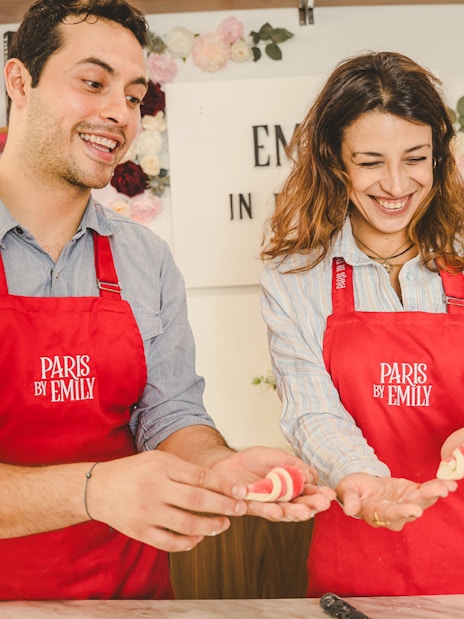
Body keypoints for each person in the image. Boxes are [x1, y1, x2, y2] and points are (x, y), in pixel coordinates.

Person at [0, 0, 335, 601]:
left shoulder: (145, 259)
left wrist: (217, 464)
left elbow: (168, 412)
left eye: (133, 95)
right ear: (19, 81)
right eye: (93, 82)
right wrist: (94, 491)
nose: (118, 114)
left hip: (130, 599)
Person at [260, 50, 464, 597]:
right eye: (371, 161)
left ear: (439, 158)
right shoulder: (295, 275)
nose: (396, 185)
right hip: (357, 561)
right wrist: (366, 482)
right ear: (335, 160)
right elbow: (310, 407)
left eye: (415, 158)